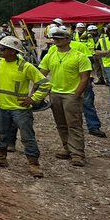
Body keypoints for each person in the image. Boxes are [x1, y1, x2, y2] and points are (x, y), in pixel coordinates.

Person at [0, 36, 50, 177]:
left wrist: (33, 99)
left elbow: (45, 84)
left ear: (13, 51)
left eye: (3, 48)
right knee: (2, 133)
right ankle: (0, 157)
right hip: (2, 106)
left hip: (20, 109)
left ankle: (34, 163)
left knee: (27, 136)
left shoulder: (25, 67)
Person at [40, 26, 92, 166]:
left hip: (70, 95)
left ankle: (78, 154)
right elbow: (41, 74)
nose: (56, 40)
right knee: (61, 124)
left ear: (68, 39)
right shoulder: (50, 55)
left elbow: (85, 78)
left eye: (59, 38)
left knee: (74, 124)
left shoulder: (79, 57)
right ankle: (67, 148)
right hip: (55, 93)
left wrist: (76, 95)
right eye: (55, 38)